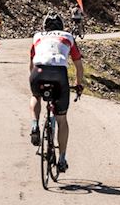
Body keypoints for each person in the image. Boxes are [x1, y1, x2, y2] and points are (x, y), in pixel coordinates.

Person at [28, 12, 85, 173]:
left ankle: (34, 125)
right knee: (62, 119)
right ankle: (62, 158)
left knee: (35, 96)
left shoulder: (38, 36)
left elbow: (31, 62)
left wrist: (33, 81)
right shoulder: (68, 37)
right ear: (62, 26)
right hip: (59, 73)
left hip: (38, 71)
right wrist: (78, 85)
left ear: (44, 27)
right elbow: (78, 66)